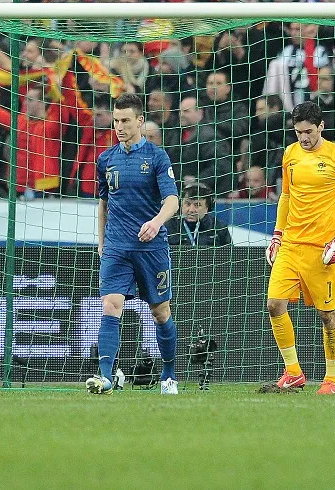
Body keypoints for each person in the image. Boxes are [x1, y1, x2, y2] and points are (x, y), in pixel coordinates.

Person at [263, 101, 335, 395]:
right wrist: (277, 235)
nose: (303, 138)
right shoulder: (290, 154)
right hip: (291, 244)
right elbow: (286, 197)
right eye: (298, 132)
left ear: (321, 126)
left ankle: (330, 380)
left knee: (327, 317)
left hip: (322, 249)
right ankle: (293, 372)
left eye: (308, 131)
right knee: (274, 304)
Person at [85, 93, 180, 396]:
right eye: (116, 121)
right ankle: (105, 377)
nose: (120, 126)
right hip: (116, 246)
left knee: (160, 312)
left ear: (140, 120)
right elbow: (103, 204)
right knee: (111, 305)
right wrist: (101, 242)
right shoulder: (106, 159)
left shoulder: (157, 157)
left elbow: (173, 201)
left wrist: (156, 223)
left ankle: (168, 374)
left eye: (126, 120)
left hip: (151, 248)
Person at [165, 182, 232, 246]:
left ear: (207, 208)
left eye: (197, 205)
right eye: (187, 204)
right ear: (180, 204)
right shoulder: (169, 226)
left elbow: (231, 256)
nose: (191, 210)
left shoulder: (219, 228)